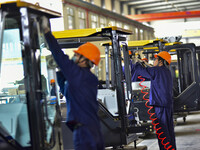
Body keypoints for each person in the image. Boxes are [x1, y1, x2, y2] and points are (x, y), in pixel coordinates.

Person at [41, 17, 104, 150]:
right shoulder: (87, 78)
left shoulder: (79, 75)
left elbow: (60, 56)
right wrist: (60, 71)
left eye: (77, 55)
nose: (74, 57)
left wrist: (47, 33)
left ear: (84, 60)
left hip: (85, 131)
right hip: (91, 128)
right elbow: (67, 92)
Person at [132, 51, 176, 150]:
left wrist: (136, 63)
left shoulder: (157, 70)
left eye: (156, 59)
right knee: (169, 131)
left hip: (160, 105)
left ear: (161, 62)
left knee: (163, 131)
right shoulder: (167, 72)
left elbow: (141, 71)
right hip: (167, 105)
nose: (154, 61)